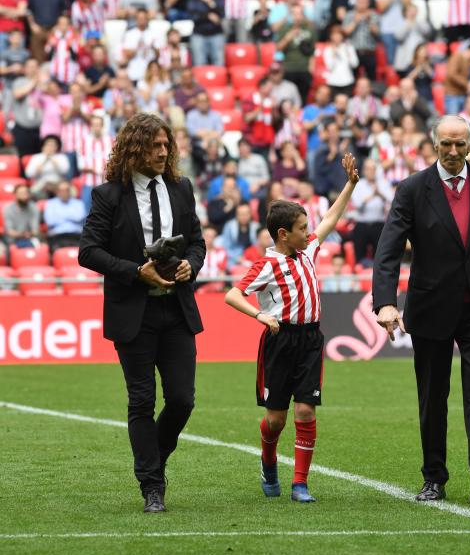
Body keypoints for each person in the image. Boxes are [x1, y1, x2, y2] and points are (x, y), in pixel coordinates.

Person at [372, 114, 470, 506]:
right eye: (445, 144)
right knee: (433, 399)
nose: (452, 152)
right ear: (433, 144)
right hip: (431, 309)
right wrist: (385, 302)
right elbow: (388, 250)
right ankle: (433, 478)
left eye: (459, 144)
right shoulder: (412, 189)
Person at [78, 113, 206, 514]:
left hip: (177, 309)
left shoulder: (181, 189)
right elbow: (88, 251)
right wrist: (136, 271)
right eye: (155, 146)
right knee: (141, 401)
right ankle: (152, 486)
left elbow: (198, 243)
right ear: (134, 148)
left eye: (166, 145)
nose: (163, 152)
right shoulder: (109, 195)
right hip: (134, 312)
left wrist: (191, 265)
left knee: (183, 399)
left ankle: (153, 458)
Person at [224, 152, 359, 503]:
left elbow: (330, 218)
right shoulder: (268, 264)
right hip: (279, 341)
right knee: (276, 420)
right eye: (302, 228)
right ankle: (269, 461)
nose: (308, 233)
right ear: (284, 234)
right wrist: (260, 315)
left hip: (310, 339)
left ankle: (300, 483)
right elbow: (232, 294)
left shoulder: (308, 249)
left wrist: (350, 185)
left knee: (305, 410)